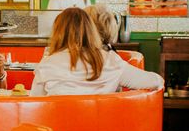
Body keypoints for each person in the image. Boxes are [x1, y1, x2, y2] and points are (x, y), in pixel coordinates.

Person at [31, 8, 163, 96]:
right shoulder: (111, 61)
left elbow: (35, 102)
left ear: (58, 33)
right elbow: (156, 81)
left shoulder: (47, 64)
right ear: (91, 30)